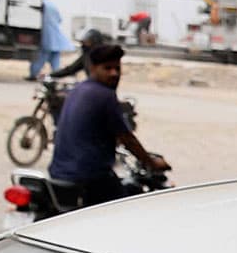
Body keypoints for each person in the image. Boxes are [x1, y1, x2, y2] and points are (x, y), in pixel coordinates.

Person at [45, 42, 167, 207]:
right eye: (107, 68)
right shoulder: (104, 95)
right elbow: (126, 137)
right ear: (93, 68)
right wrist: (150, 162)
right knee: (127, 206)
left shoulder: (77, 90)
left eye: (117, 68)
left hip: (58, 173)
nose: (114, 73)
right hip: (89, 177)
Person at [27, 0, 69, 81]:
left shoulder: (42, 4)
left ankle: (33, 74)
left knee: (40, 57)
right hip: (56, 37)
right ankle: (56, 76)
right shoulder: (52, 5)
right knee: (55, 59)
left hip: (47, 36)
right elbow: (60, 19)